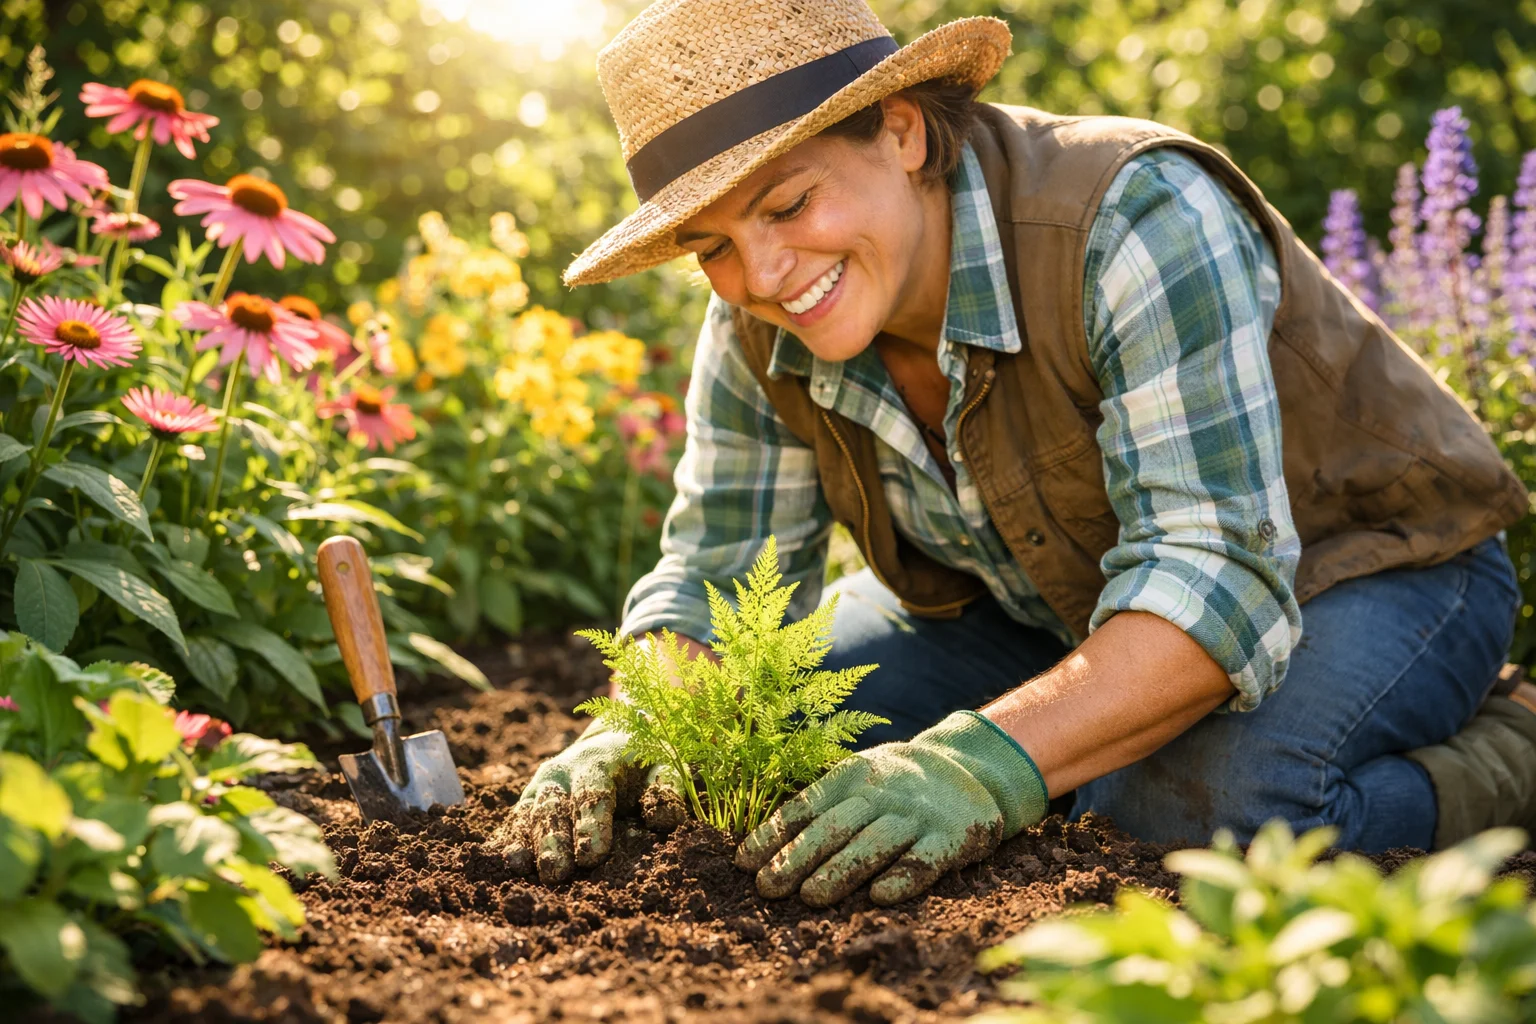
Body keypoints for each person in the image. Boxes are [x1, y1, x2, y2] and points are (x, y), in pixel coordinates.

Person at [490, 0, 1536, 907]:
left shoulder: (1133, 216)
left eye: (788, 203)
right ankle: (1085, 736)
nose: (760, 273)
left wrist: (978, 765)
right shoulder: (760, 327)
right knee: (765, 740)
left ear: (900, 131)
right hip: (1045, 603)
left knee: (1185, 813)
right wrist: (648, 718)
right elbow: (719, 572)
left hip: (1364, 566)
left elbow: (1213, 574)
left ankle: (1506, 757)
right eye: (712, 246)